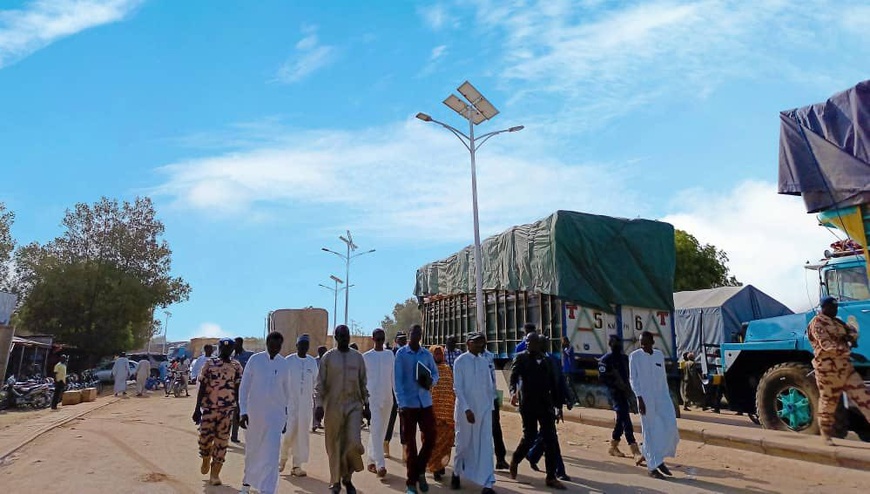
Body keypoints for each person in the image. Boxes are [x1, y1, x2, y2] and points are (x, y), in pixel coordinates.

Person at [807, 296, 870, 445]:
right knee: (829, 403)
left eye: (836, 307)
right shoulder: (817, 323)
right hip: (827, 370)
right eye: (832, 307)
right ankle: (826, 435)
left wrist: (851, 337)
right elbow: (826, 345)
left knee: (864, 398)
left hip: (845, 368)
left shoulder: (837, 322)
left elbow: (851, 332)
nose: (835, 310)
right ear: (824, 308)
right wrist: (850, 353)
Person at [314, 325, 368, 494]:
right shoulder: (328, 358)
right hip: (333, 406)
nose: (345, 338)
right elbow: (320, 384)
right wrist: (319, 406)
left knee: (353, 443)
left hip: (354, 405)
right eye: (342, 336)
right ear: (336, 338)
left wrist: (367, 405)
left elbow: (363, 383)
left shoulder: (358, 358)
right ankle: (336, 481)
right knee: (334, 445)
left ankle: (347, 477)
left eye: (347, 335)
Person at [508, 333, 565, 490]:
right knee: (530, 436)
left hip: (545, 405)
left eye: (531, 342)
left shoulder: (547, 360)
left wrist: (558, 406)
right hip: (528, 404)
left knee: (550, 439)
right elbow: (513, 377)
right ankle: (515, 459)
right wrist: (513, 392)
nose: (528, 344)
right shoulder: (521, 358)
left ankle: (551, 476)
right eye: (527, 341)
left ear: (539, 344)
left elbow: (553, 384)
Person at [239, 332, 293, 494]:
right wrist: (243, 411)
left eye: (278, 346)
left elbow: (287, 392)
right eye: (273, 345)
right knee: (253, 452)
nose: (275, 348)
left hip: (276, 417)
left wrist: (286, 417)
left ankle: (267, 489)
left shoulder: (284, 364)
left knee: (272, 454)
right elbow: (244, 387)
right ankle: (246, 484)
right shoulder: (255, 360)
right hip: (254, 415)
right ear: (267, 343)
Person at [192, 338, 242, 486]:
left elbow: (238, 389)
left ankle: (215, 474)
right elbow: (202, 386)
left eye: (229, 348)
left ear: (232, 350)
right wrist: (197, 409)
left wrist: (239, 409)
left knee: (222, 442)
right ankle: (205, 457)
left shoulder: (236, 366)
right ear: (219, 348)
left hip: (227, 411)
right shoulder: (209, 364)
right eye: (223, 348)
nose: (226, 350)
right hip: (209, 409)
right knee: (204, 440)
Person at [394, 325, 439, 494]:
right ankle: (411, 483)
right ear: (409, 335)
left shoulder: (426, 354)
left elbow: (435, 374)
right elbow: (397, 381)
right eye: (413, 333)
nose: (416, 336)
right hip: (408, 405)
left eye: (419, 334)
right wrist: (401, 404)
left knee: (431, 437)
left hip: (425, 403)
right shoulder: (401, 354)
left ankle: (420, 469)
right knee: (410, 444)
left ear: (421, 336)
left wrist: (431, 381)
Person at [629, 331, 679, 479]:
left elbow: (663, 378)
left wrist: (667, 398)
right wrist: (639, 398)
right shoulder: (635, 356)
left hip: (662, 397)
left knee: (669, 427)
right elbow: (633, 379)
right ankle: (652, 467)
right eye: (641, 343)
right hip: (645, 399)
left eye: (645, 343)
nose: (643, 346)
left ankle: (655, 456)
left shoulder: (659, 355)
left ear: (652, 342)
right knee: (649, 430)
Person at [451, 333, 496, 494]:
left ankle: (488, 483)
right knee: (463, 445)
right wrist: (466, 409)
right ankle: (456, 472)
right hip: (465, 412)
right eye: (477, 343)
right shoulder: (460, 361)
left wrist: (490, 408)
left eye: (482, 343)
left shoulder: (484, 362)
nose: (480, 346)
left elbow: (489, 387)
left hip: (484, 410)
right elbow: (458, 388)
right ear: (468, 343)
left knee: (485, 446)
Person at [279, 334, 319, 476]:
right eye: (301, 345)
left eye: (306, 345)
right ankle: (282, 459)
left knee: (302, 434)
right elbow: (281, 381)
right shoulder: (288, 360)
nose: (303, 347)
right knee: (288, 433)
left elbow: (316, 382)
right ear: (297, 346)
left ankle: (297, 466)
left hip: (306, 404)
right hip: (290, 404)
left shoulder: (312, 362)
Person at [599, 335, 641, 462]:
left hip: (625, 391)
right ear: (610, 344)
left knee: (621, 418)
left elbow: (630, 375)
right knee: (625, 418)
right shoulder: (605, 360)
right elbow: (602, 377)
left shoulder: (625, 358)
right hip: (615, 393)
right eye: (615, 343)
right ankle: (634, 448)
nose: (617, 345)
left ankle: (613, 445)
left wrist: (629, 389)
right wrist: (615, 384)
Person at [363, 328, 395, 478]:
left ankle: (371, 459)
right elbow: (362, 380)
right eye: (378, 339)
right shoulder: (366, 357)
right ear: (373, 339)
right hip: (373, 399)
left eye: (382, 339)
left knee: (381, 431)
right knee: (375, 428)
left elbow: (393, 378)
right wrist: (364, 401)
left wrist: (397, 398)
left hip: (388, 398)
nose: (380, 342)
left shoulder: (390, 355)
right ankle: (380, 464)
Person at [427, 345, 455, 481]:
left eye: (440, 353)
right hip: (432, 412)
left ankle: (441, 464)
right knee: (433, 441)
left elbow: (452, 388)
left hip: (448, 413)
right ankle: (435, 468)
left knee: (446, 441)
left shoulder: (447, 369)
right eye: (436, 353)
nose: (439, 355)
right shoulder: (428, 370)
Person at [483, 342, 510, 471]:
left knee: (496, 429)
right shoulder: (467, 359)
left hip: (491, 397)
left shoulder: (489, 356)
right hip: (478, 399)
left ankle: (500, 459)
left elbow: (492, 378)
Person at [385, 331, 408, 458]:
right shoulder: (390, 353)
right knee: (390, 419)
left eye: (404, 339)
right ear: (395, 340)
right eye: (400, 339)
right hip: (392, 391)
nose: (403, 341)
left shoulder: (409, 353)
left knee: (405, 421)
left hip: (405, 392)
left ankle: (405, 449)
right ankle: (386, 444)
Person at [232, 337, 255, 443]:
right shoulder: (232, 357)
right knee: (235, 410)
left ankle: (252, 435)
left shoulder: (250, 355)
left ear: (240, 344)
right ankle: (234, 435)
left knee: (248, 410)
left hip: (248, 388)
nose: (234, 346)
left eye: (236, 344)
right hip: (234, 388)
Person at [312, 345, 329, 432]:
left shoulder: (328, 361)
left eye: (324, 351)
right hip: (316, 387)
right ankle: (315, 424)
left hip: (326, 386)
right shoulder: (314, 361)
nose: (323, 353)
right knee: (316, 406)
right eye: (321, 351)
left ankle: (320, 423)